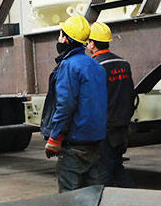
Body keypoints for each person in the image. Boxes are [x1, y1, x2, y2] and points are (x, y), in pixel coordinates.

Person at [40, 14, 107, 192]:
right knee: (93, 195)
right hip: (94, 141)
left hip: (74, 144)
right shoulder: (97, 66)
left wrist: (55, 138)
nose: (58, 38)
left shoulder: (69, 66)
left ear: (66, 39)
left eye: (60, 34)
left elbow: (65, 105)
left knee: (69, 199)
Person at [86, 22, 135, 187]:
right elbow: (130, 94)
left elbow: (91, 100)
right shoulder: (124, 63)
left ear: (92, 44)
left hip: (104, 128)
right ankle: (132, 197)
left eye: (88, 42)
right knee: (116, 166)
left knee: (104, 173)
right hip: (122, 125)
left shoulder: (95, 66)